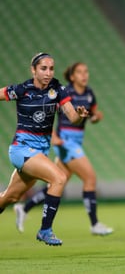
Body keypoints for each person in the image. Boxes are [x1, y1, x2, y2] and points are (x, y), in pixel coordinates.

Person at [13, 62, 113, 236]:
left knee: (58, 182)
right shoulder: (63, 92)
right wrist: (54, 137)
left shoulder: (89, 94)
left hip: (77, 141)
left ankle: (24, 208)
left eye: (86, 71)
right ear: (72, 76)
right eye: (80, 72)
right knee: (90, 178)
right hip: (66, 143)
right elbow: (46, 113)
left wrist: (96, 117)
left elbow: (95, 114)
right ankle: (95, 224)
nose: (84, 75)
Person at [0, 53, 89, 246]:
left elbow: (72, 117)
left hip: (39, 153)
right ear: (33, 70)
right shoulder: (22, 89)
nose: (48, 73)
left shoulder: (57, 88)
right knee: (59, 178)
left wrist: (80, 116)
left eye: (51, 68)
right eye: (43, 68)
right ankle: (45, 230)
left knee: (9, 198)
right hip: (21, 149)